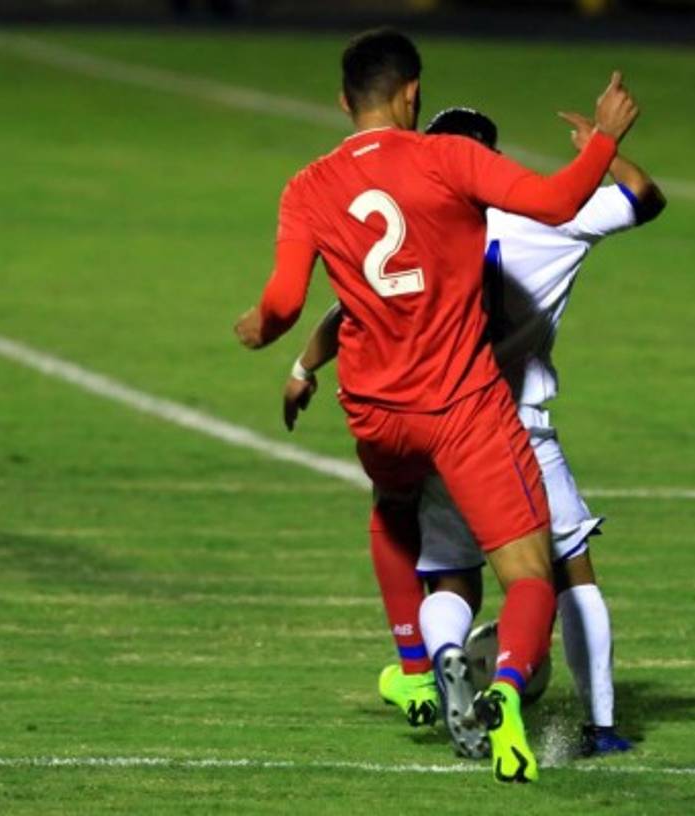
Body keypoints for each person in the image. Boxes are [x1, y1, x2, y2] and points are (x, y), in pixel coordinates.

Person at [233, 28, 638, 783]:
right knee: (527, 575)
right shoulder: (448, 158)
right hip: (461, 406)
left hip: (377, 412)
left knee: (392, 509)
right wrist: (604, 140)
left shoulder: (307, 186)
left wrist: (262, 331)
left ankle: (416, 669)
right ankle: (510, 694)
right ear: (412, 94)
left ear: (343, 101)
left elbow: (286, 301)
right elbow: (554, 201)